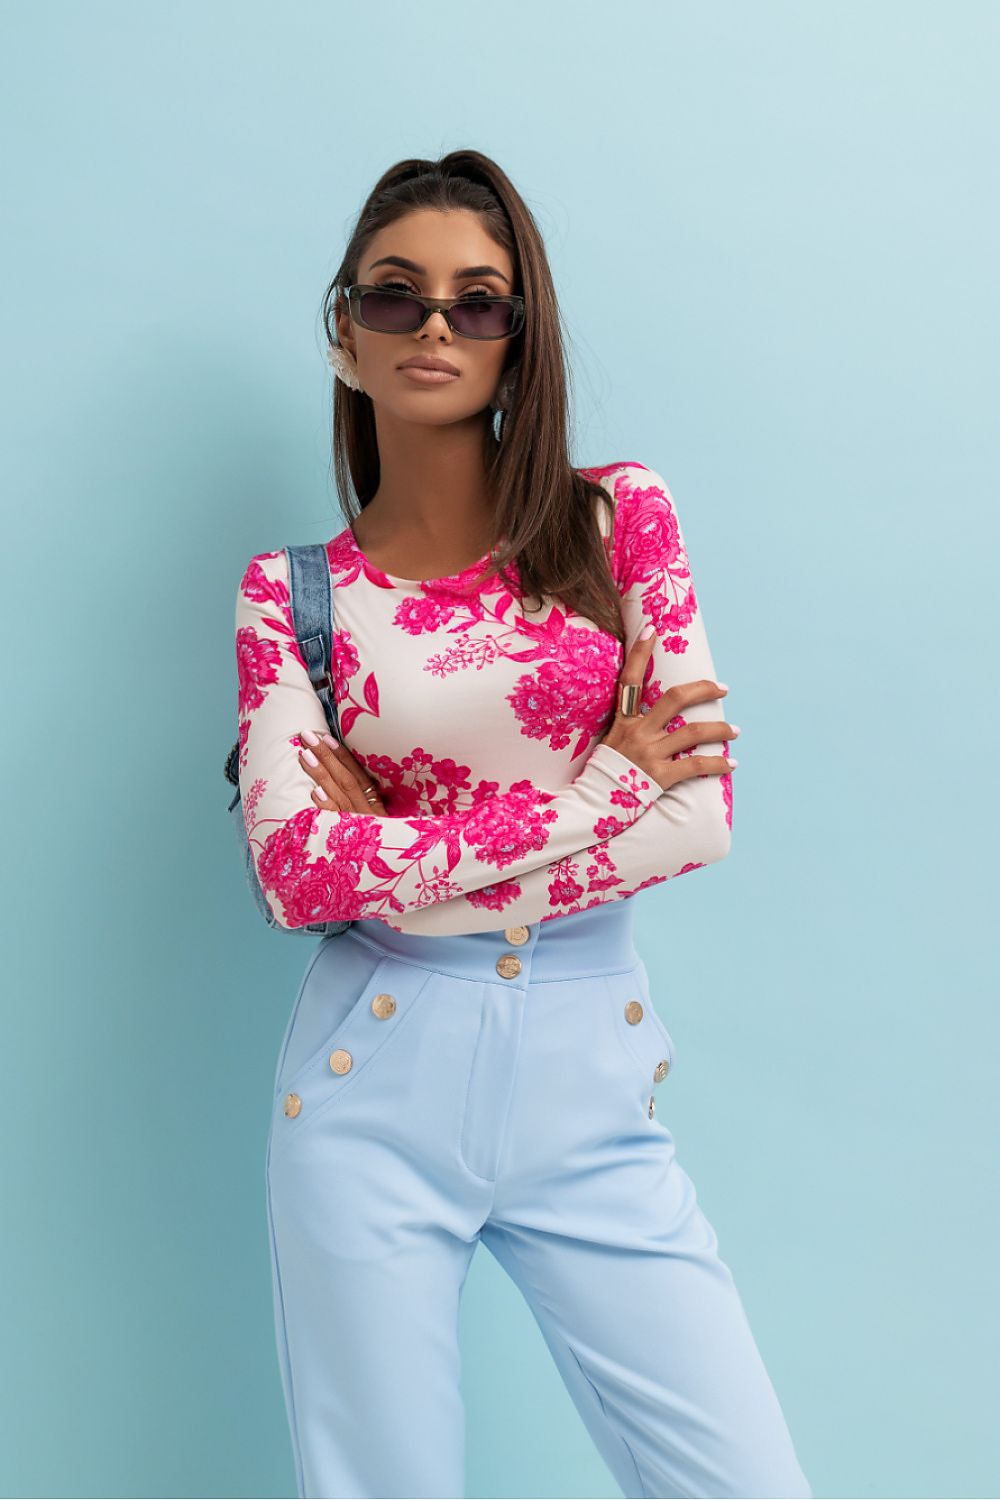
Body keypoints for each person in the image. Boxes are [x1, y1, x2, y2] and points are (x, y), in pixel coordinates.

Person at [234, 149, 812, 1500]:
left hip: (589, 1092)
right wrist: (600, 786)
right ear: (343, 331)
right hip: (368, 1088)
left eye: (478, 303)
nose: (436, 327)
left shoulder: (619, 524)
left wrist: (406, 873)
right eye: (397, 296)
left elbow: (701, 822)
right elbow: (293, 873)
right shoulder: (293, 596)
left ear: (519, 337)